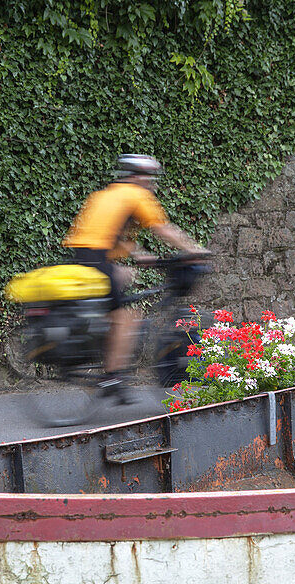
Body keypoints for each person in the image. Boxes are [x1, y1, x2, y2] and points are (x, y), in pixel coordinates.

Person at [63, 154, 207, 402]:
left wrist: (141, 255)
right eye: (149, 178)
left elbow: (112, 234)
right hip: (98, 259)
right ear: (139, 177)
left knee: (114, 307)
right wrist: (194, 250)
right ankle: (112, 377)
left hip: (84, 257)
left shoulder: (106, 194)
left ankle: (108, 365)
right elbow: (162, 228)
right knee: (127, 316)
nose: (151, 184)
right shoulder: (136, 195)